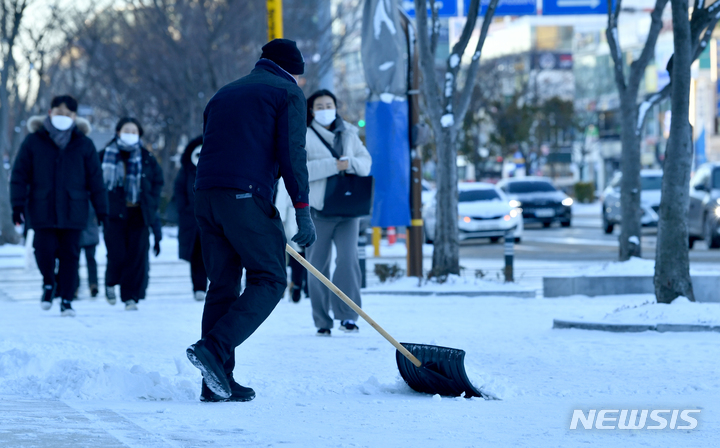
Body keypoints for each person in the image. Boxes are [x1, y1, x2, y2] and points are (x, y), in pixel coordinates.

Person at [186, 39, 315, 403]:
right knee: (271, 277)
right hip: (243, 197)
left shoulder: (223, 93)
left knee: (223, 284)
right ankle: (214, 348)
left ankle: (216, 382)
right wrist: (302, 208)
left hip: (206, 195)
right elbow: (293, 154)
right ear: (292, 70)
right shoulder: (286, 92)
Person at [11, 95, 108, 317]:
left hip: (74, 210)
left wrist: (102, 210)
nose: (63, 117)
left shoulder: (84, 143)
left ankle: (66, 299)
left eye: (68, 114)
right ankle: (48, 283)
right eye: (59, 112)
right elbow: (19, 176)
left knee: (70, 256)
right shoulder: (33, 141)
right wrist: (17, 206)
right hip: (41, 208)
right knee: (43, 251)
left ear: (75, 117)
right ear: (50, 112)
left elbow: (96, 180)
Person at [304, 89, 372, 337]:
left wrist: (349, 163)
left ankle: (348, 316)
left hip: (348, 210)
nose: (325, 110)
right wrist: (333, 165)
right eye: (319, 106)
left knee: (348, 261)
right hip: (318, 210)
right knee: (317, 266)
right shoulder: (304, 134)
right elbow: (301, 170)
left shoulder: (350, 133)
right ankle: (322, 320)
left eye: (328, 105)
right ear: (311, 111)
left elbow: (366, 164)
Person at [100, 117, 163, 311]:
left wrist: (151, 202)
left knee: (135, 256)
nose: (130, 134)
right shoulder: (103, 155)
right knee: (117, 254)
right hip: (113, 213)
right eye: (127, 130)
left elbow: (157, 182)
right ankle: (110, 282)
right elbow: (94, 182)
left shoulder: (147, 157)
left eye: (134, 132)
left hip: (139, 213)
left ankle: (130, 297)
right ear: (118, 132)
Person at [174, 136, 208, 301]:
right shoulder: (186, 171)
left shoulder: (214, 169)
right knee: (196, 255)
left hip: (212, 219)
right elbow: (179, 191)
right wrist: (185, 210)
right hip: (192, 221)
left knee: (213, 253)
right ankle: (199, 287)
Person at [275, 178, 308, 303]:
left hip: (297, 216)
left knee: (294, 254)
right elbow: (283, 193)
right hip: (292, 217)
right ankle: (289, 286)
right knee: (293, 253)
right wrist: (281, 217)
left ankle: (294, 286)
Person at [77, 202, 100, 298]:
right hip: (79, 232)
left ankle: (92, 285)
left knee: (89, 259)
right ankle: (75, 286)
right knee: (74, 261)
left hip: (87, 232)